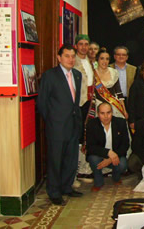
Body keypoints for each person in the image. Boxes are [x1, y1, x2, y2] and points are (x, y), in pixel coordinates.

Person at [37, 44, 83, 205]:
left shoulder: (77, 75)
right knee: (55, 160)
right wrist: (52, 121)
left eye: (73, 56)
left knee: (71, 159)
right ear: (59, 58)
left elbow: (74, 102)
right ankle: (54, 192)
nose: (71, 59)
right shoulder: (50, 76)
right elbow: (42, 103)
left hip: (73, 124)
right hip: (56, 126)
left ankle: (66, 187)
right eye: (67, 56)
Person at [86, 102, 129, 191]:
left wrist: (111, 158)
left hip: (116, 155)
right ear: (98, 114)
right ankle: (98, 182)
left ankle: (116, 177)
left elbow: (125, 145)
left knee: (122, 164)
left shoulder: (120, 123)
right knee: (93, 159)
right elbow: (91, 147)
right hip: (99, 155)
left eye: (108, 113)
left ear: (112, 113)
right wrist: (108, 152)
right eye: (102, 113)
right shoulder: (91, 124)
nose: (106, 116)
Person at [73, 34, 95, 184]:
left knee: (84, 136)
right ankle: (73, 173)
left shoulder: (89, 61)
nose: (84, 47)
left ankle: (82, 170)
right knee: (75, 137)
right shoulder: (72, 61)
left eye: (86, 44)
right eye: (81, 44)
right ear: (76, 46)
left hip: (88, 103)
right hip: (77, 104)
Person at [93, 49, 127, 120]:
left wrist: (124, 110)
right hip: (98, 107)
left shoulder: (114, 72)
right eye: (102, 58)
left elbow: (119, 93)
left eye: (107, 59)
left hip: (113, 106)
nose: (104, 61)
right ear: (97, 60)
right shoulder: (93, 73)